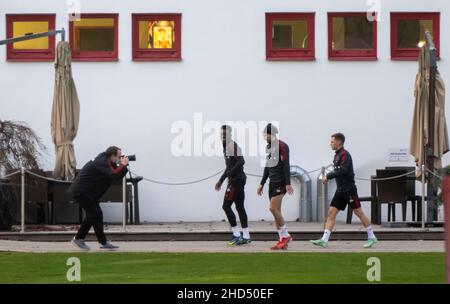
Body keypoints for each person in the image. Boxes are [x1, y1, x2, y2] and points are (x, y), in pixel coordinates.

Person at [310, 133, 378, 248]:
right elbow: (338, 172)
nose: (330, 144)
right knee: (331, 212)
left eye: (332, 141)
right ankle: (324, 240)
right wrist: (329, 177)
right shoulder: (336, 155)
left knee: (359, 213)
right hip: (340, 191)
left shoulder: (345, 155)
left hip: (349, 190)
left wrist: (328, 176)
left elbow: (343, 171)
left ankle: (372, 237)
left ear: (339, 142)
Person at [69, 146, 129, 250]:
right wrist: (123, 164)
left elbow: (117, 175)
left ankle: (103, 243)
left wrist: (123, 165)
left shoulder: (108, 161)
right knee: (93, 214)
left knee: (98, 215)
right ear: (112, 156)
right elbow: (113, 175)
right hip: (82, 191)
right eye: (118, 156)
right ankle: (78, 238)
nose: (119, 158)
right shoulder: (101, 162)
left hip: (90, 193)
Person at [257, 123, 294, 250]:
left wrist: (288, 183)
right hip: (271, 183)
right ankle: (282, 241)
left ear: (271, 134)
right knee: (277, 212)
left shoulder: (282, 146)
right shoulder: (268, 147)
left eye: (264, 134)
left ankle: (286, 235)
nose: (263, 137)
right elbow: (267, 166)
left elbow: (286, 165)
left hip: (280, 182)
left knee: (272, 208)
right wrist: (262, 183)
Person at [215, 125, 251, 245]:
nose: (222, 136)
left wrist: (230, 174)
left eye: (225, 134)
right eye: (221, 134)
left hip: (236, 181)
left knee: (226, 206)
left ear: (230, 135)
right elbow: (228, 167)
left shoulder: (231, 145)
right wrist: (221, 180)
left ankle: (236, 235)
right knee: (240, 207)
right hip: (238, 180)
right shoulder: (226, 147)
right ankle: (246, 236)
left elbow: (241, 161)